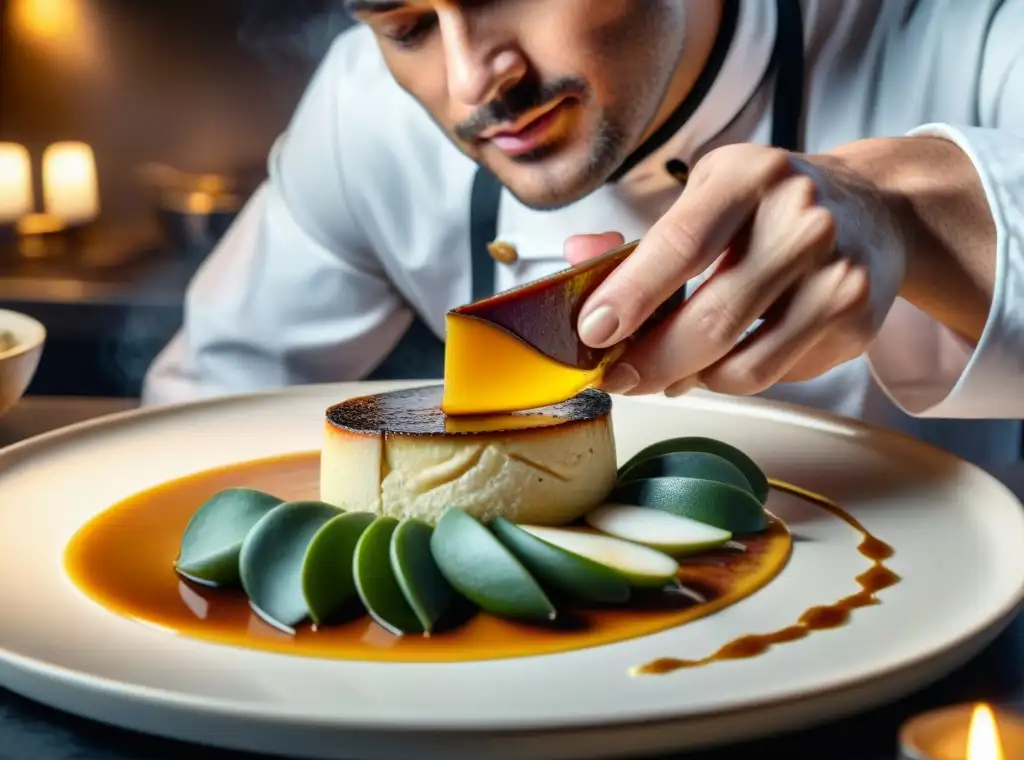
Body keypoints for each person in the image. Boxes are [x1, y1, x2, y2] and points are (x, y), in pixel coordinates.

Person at [142, 0, 1024, 467]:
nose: (471, 83)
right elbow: (207, 413)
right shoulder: (363, 113)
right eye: (407, 26)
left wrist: (904, 210)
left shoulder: (970, 27)